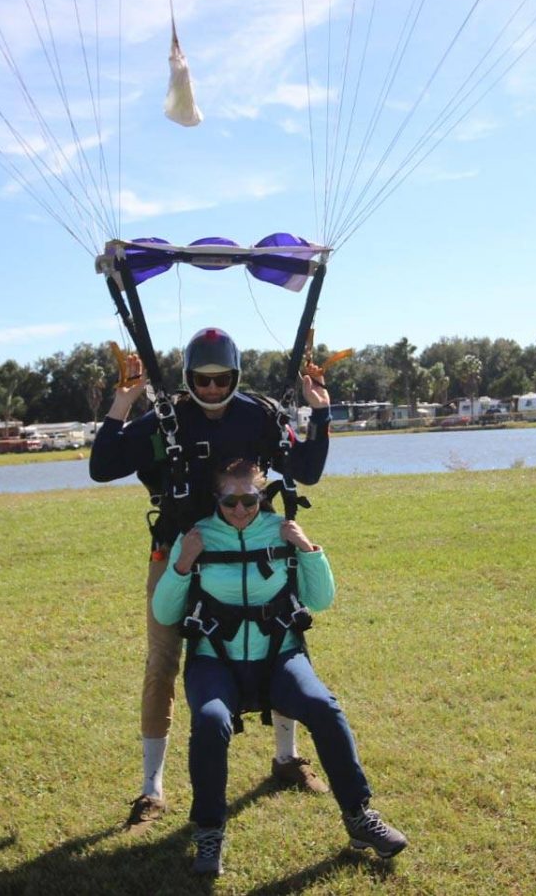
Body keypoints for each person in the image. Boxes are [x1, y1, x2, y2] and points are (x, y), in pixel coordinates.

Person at [89, 327, 333, 831]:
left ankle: (286, 760)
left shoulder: (260, 415)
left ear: (235, 376)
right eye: (203, 381)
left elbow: (306, 470)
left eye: (222, 380)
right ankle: (151, 790)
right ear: (188, 378)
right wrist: (122, 403)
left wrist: (321, 412)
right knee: (162, 663)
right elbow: (102, 466)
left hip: (253, 553)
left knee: (278, 646)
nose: (214, 390)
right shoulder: (166, 418)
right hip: (181, 554)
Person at [153, 458, 408, 875]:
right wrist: (183, 563)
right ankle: (209, 832)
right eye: (230, 501)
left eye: (249, 500)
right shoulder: (195, 536)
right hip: (215, 659)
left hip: (279, 657)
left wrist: (307, 549)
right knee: (210, 721)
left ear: (261, 496)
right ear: (217, 498)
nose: (240, 510)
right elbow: (164, 612)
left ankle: (360, 817)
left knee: (324, 707)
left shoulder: (280, 532)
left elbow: (320, 599)